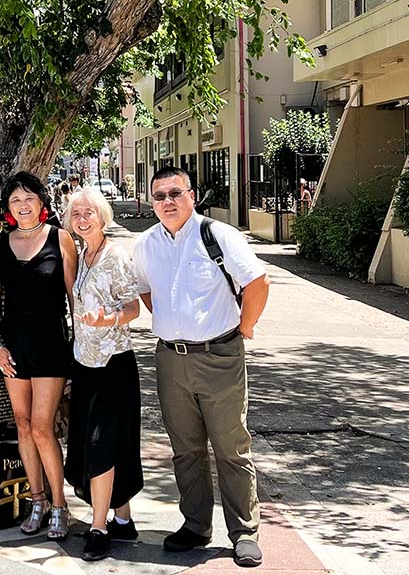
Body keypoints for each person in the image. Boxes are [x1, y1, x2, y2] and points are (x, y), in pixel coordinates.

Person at [133, 167, 270, 568]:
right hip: (170, 359)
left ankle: (244, 531)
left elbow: (257, 283)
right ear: (151, 201)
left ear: (192, 195)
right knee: (185, 450)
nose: (167, 202)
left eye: (175, 193)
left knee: (231, 448)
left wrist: (244, 327)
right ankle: (195, 526)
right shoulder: (145, 244)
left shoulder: (217, 234)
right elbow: (144, 287)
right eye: (159, 196)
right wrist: (175, 327)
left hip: (220, 356)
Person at [0, 172, 78, 540]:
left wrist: (80, 348)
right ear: (8, 208)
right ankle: (36, 500)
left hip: (51, 343)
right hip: (13, 345)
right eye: (15, 200)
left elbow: (73, 296)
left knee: (42, 426)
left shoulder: (61, 239)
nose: (22, 205)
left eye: (29, 198)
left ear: (41, 202)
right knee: (22, 424)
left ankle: (59, 505)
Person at [62, 187, 143, 561]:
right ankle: (122, 516)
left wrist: (107, 318)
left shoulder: (114, 256)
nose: (82, 219)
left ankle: (98, 527)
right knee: (101, 442)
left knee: (100, 444)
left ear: (102, 216)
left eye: (88, 213)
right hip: (85, 363)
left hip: (113, 364)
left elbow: (133, 308)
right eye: (76, 214)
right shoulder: (82, 254)